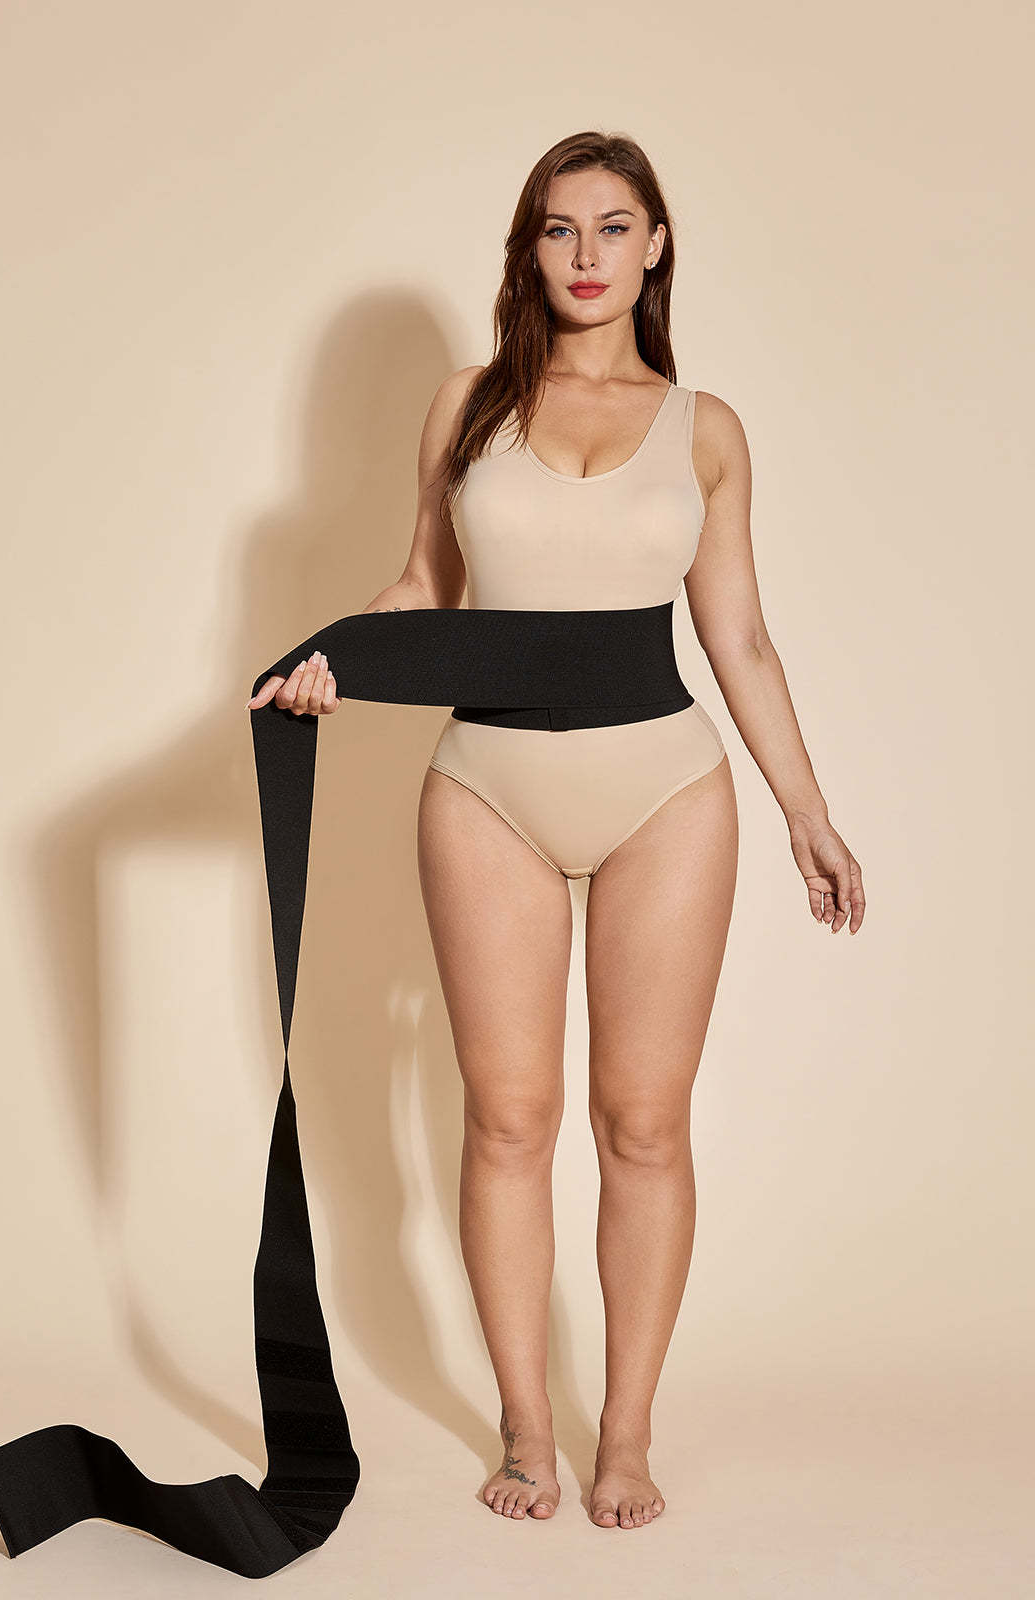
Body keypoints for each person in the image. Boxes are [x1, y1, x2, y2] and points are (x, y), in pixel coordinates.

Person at [245, 129, 865, 1534]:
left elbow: (739, 637)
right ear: (529, 250)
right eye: (558, 228)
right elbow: (423, 589)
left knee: (642, 1124)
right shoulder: (469, 405)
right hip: (488, 789)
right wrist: (334, 659)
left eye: (613, 226)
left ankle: (625, 1434)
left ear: (656, 247)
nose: (586, 254)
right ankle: (528, 1430)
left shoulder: (705, 428)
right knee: (509, 1119)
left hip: (664, 792)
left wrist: (808, 814)